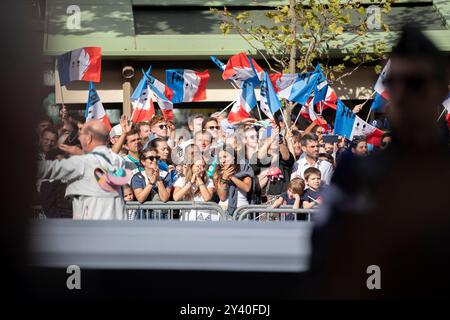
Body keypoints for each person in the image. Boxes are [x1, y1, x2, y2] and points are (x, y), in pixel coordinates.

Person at [309, 24, 450, 298]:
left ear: (440, 91)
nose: (403, 94)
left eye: (415, 84)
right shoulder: (355, 174)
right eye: (393, 84)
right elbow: (325, 254)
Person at [37, 120, 128, 219]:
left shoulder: (82, 162)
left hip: (92, 229)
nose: (79, 138)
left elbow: (48, 169)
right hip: (117, 228)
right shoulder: (118, 160)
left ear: (88, 138)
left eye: (81, 135)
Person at [213, 145, 254, 216]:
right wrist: (224, 179)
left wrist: (231, 177)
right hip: (224, 210)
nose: (222, 161)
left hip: (242, 210)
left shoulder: (244, 169)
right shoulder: (218, 172)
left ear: (233, 157)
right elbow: (222, 197)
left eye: (225, 157)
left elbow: (247, 188)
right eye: (220, 158)